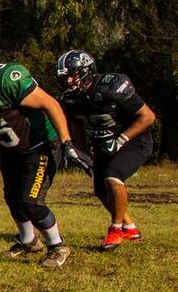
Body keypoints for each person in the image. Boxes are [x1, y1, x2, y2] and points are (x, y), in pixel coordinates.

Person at [0, 33, 93, 269]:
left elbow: (50, 104)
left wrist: (67, 142)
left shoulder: (6, 78)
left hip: (39, 144)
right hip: (10, 150)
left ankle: (57, 245)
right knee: (12, 198)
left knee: (30, 201)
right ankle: (29, 241)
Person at [55, 50, 156, 250]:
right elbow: (77, 124)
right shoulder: (71, 99)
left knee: (113, 177)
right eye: (64, 76)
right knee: (101, 191)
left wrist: (121, 139)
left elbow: (148, 117)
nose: (68, 81)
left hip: (134, 140)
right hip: (103, 144)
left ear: (86, 71)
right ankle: (130, 228)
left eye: (71, 75)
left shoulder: (112, 87)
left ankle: (116, 229)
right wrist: (81, 149)